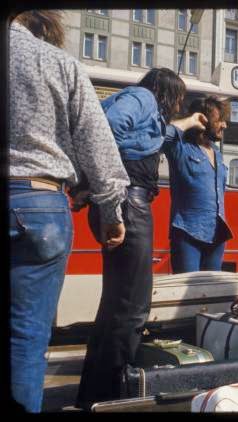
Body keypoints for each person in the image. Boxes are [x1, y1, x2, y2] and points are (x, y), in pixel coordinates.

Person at [9, 10, 129, 412]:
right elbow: (99, 150)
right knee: (26, 337)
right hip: (40, 205)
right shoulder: (57, 62)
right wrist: (112, 214)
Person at [76, 68, 205, 409]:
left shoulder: (146, 114)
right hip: (129, 202)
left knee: (116, 306)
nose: (178, 104)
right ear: (167, 91)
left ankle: (94, 393)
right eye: (178, 97)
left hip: (122, 201)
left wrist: (189, 122)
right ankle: (113, 395)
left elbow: (158, 134)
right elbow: (107, 131)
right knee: (133, 307)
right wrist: (108, 182)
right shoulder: (142, 98)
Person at [163, 96, 233, 273]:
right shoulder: (181, 147)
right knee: (188, 294)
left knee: (211, 292)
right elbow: (160, 135)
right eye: (220, 120)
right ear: (203, 119)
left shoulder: (217, 152)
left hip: (217, 233)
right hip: (187, 232)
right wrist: (190, 121)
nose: (225, 125)